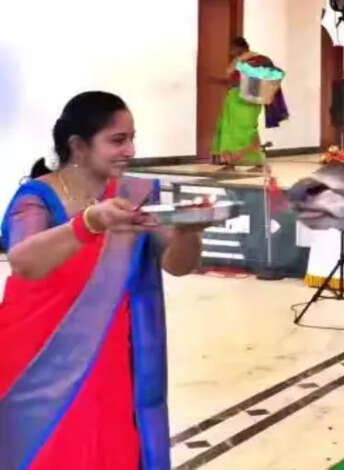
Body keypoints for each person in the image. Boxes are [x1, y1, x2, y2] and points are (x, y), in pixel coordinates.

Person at [0, 91, 206, 469]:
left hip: (112, 362)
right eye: (117, 140)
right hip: (40, 362)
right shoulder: (36, 198)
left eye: (131, 138)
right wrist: (89, 223)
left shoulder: (134, 196)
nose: (130, 150)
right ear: (78, 146)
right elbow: (24, 261)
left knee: (111, 448)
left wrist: (189, 231)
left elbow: (178, 265)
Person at [211, 36, 274, 171]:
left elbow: (228, 73)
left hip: (238, 98)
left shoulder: (240, 59)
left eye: (231, 49)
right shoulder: (263, 59)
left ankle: (231, 163)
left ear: (238, 48)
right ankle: (257, 162)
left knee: (231, 130)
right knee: (249, 129)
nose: (230, 52)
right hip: (254, 98)